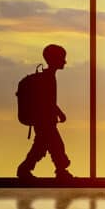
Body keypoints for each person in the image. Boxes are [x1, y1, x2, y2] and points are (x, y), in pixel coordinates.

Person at [17, 44, 73, 181]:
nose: (64, 62)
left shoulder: (49, 77)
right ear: (54, 59)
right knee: (55, 146)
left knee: (43, 147)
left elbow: (49, 101)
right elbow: (47, 101)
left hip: (44, 120)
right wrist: (59, 113)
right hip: (45, 121)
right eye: (62, 58)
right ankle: (59, 170)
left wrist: (58, 113)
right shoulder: (48, 78)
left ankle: (27, 169)